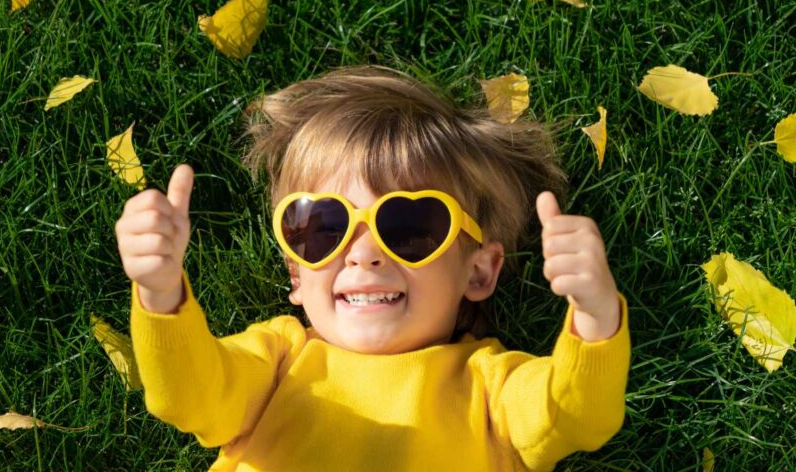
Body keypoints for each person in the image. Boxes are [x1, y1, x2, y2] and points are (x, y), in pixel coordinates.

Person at [116, 66, 630, 471]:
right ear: (297, 273)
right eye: (323, 227)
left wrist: (595, 314)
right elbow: (188, 393)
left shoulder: (492, 388)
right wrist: (161, 295)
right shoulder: (276, 363)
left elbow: (576, 414)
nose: (363, 254)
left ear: (478, 273)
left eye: (409, 226)